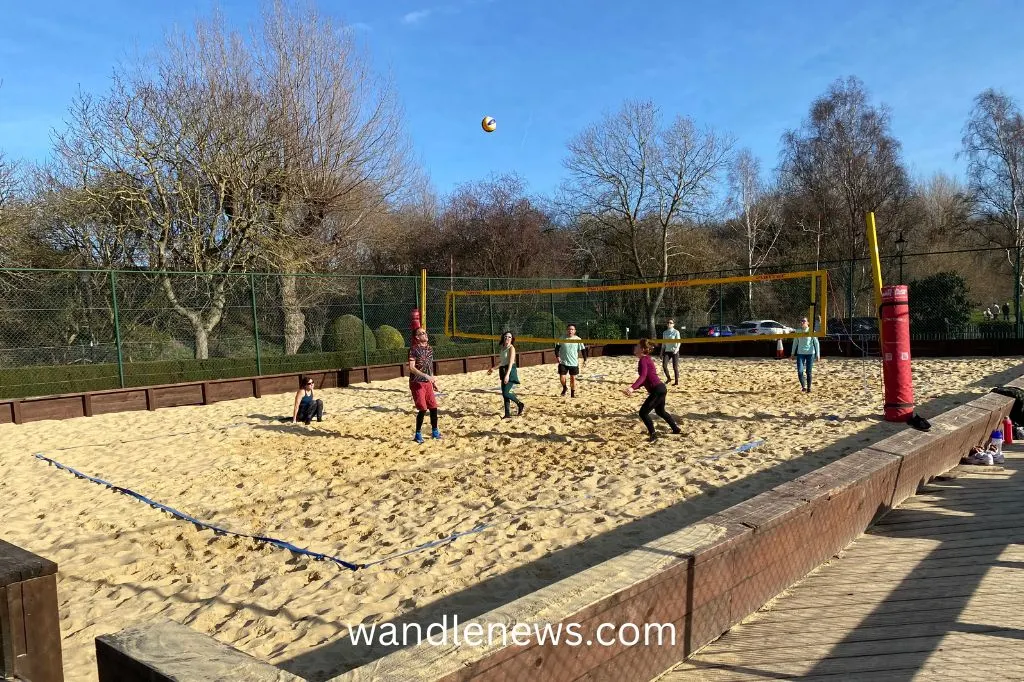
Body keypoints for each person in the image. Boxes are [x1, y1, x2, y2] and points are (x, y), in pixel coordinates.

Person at [622, 339, 681, 442]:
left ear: (643, 349)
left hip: (657, 390)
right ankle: (675, 429)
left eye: (637, 346)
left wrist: (632, 388)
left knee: (643, 413)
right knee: (660, 411)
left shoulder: (644, 360)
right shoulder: (645, 359)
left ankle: (653, 434)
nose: (635, 347)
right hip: (661, 388)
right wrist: (634, 388)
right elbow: (645, 379)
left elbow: (643, 376)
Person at [408, 326, 442, 443]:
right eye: (422, 333)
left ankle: (435, 431)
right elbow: (411, 368)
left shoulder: (430, 349)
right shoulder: (413, 349)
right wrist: (425, 376)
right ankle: (417, 434)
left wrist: (433, 381)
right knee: (422, 408)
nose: (425, 334)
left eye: (425, 332)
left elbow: (429, 366)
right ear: (417, 337)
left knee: (433, 407)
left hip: (428, 382)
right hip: (417, 382)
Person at [488, 331, 525, 418]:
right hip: (503, 370)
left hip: (510, 370)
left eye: (509, 337)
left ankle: (520, 404)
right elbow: (502, 362)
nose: (507, 338)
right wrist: (493, 368)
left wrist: (507, 375)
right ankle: (507, 414)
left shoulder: (511, 348)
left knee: (505, 393)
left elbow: (511, 362)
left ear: (512, 339)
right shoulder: (503, 348)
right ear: (503, 338)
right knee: (505, 394)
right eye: (505, 337)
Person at [554, 323, 587, 398]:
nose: (570, 331)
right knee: (562, 378)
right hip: (563, 362)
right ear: (566, 330)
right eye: (569, 329)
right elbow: (556, 349)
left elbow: (583, 350)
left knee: (573, 379)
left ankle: (572, 394)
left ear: (575, 331)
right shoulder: (562, 338)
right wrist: (557, 356)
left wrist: (585, 360)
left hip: (573, 363)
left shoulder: (578, 339)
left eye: (572, 329)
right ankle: (564, 387)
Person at [790, 316, 821, 393]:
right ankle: (803, 386)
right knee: (800, 371)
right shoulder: (798, 331)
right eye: (801, 321)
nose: (802, 322)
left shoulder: (811, 331)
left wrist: (818, 354)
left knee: (808, 372)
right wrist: (792, 353)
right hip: (800, 353)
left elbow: (816, 343)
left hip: (810, 353)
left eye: (804, 321)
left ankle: (809, 388)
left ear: (808, 323)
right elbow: (795, 342)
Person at [661, 318, 681, 385]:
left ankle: (676, 381)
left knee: (675, 367)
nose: (669, 324)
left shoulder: (676, 332)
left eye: (670, 323)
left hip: (674, 351)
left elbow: (679, 342)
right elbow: (663, 344)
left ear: (673, 324)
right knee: (664, 365)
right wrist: (661, 353)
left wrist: (676, 349)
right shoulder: (664, 332)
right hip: (667, 351)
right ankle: (668, 378)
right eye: (668, 322)